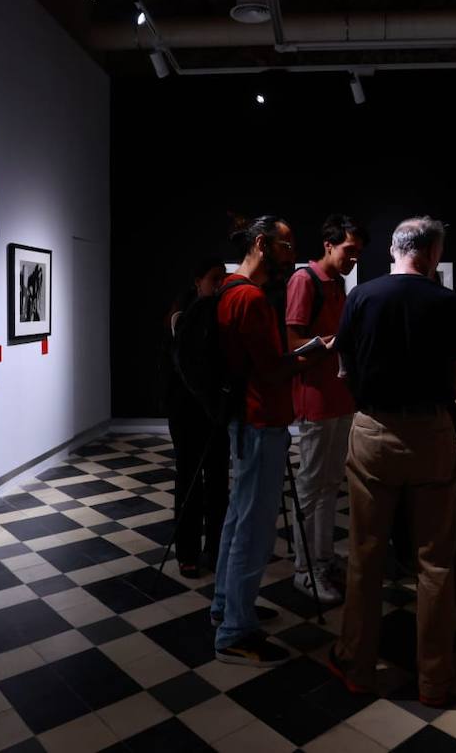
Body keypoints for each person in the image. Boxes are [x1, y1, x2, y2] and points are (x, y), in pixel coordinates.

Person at [328, 217, 456, 706]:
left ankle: (358, 666)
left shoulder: (362, 297)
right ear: (433, 254)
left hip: (373, 430)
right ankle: (434, 679)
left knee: (365, 556)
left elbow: (344, 367)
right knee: (434, 562)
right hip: (432, 432)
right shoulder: (450, 303)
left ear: (394, 250)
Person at [209, 216, 314, 666]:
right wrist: (311, 356)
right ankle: (235, 631)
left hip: (244, 420)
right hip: (260, 420)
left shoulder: (228, 290)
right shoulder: (249, 298)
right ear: (261, 244)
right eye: (286, 245)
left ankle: (225, 606)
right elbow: (270, 371)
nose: (291, 254)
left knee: (238, 516)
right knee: (254, 527)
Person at [284, 214, 366, 604]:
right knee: (312, 484)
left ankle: (322, 558)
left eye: (358, 253)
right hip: (315, 398)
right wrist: (328, 344)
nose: (353, 259)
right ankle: (305, 568)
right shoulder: (305, 280)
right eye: (349, 250)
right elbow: (292, 342)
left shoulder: (337, 284)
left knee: (330, 483)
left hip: (338, 396)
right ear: (329, 245)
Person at [163, 258, 230, 578]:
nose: (219, 284)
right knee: (189, 478)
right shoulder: (183, 316)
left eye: (223, 278)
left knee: (218, 481)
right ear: (197, 281)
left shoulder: (219, 313)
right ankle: (187, 551)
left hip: (215, 410)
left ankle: (215, 549)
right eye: (214, 278)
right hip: (188, 411)